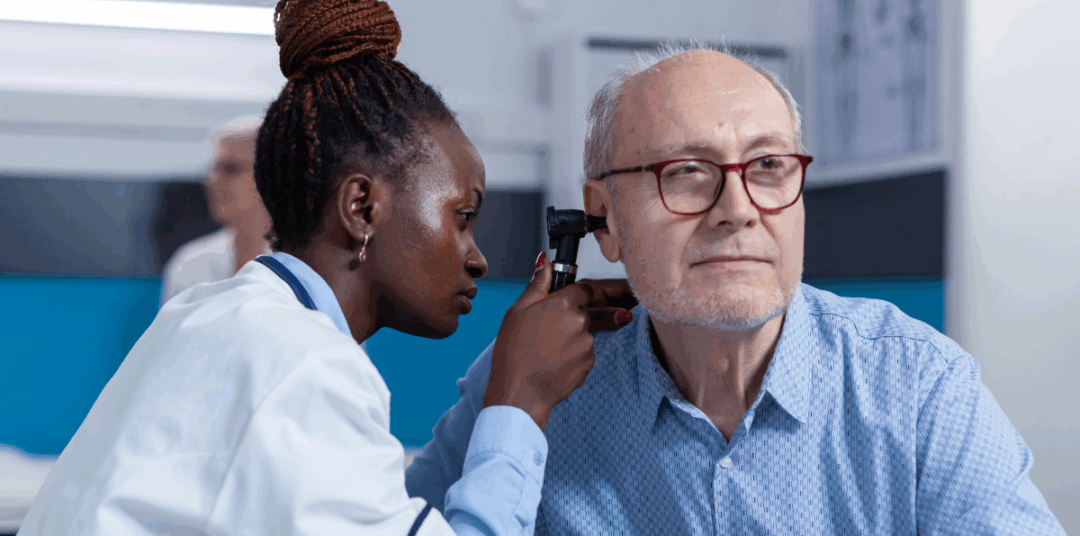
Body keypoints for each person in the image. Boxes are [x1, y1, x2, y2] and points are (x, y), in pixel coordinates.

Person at [17, 1, 634, 534]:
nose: (477, 257)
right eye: (462, 216)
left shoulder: (222, 318)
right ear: (362, 207)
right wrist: (521, 402)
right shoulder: (303, 365)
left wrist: (501, 379)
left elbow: (391, 514)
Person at [406, 44, 1067, 534]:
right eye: (687, 172)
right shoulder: (527, 382)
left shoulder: (921, 389)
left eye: (770, 166)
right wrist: (512, 411)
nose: (738, 209)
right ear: (603, 218)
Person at [160, 117, 274, 306]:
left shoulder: (306, 263)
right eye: (213, 170)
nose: (212, 181)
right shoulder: (191, 264)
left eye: (229, 169)